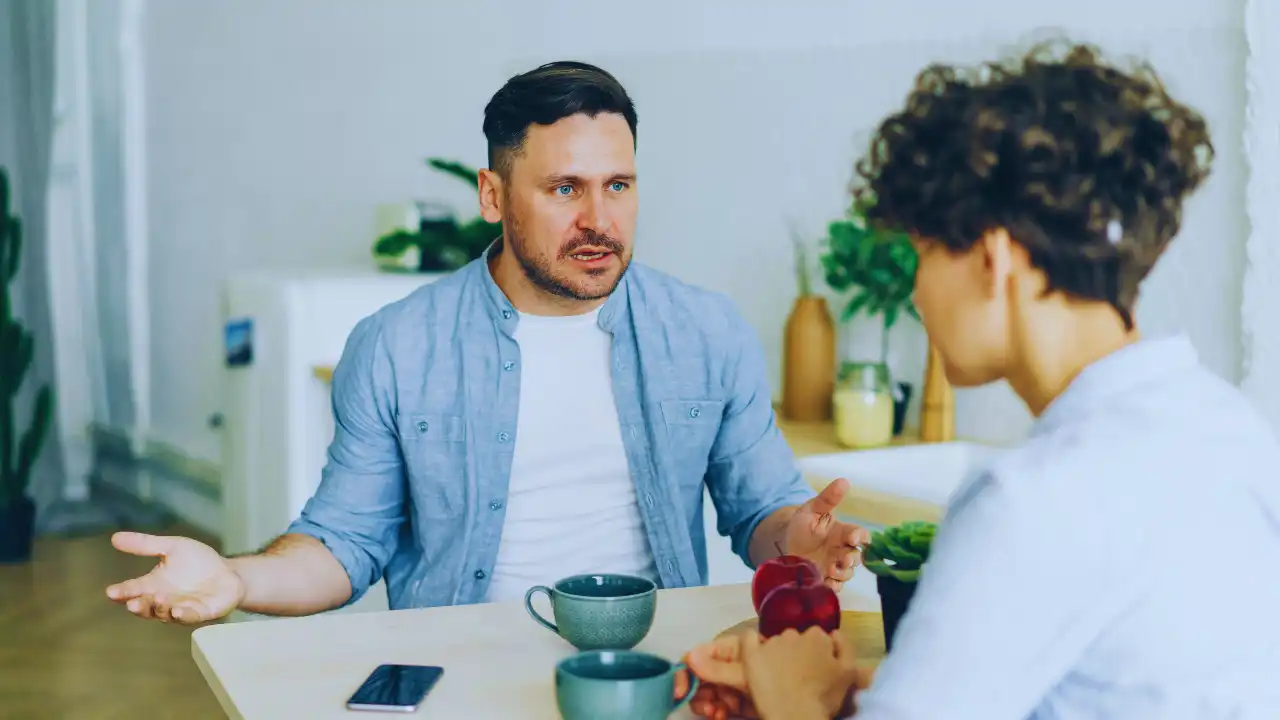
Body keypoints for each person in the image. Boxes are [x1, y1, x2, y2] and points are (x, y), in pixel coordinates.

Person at [104, 61, 870, 624]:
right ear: (493, 195)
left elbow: (760, 513)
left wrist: (796, 535)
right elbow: (343, 544)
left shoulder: (706, 332)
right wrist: (237, 578)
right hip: (458, 670)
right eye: (565, 189)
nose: (599, 220)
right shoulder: (398, 346)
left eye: (619, 186)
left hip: (653, 666)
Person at [680, 40, 1280, 719]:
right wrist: (839, 699)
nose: (915, 292)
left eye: (923, 253)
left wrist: (790, 698)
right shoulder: (1230, 428)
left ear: (993, 259)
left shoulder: (1031, 498)